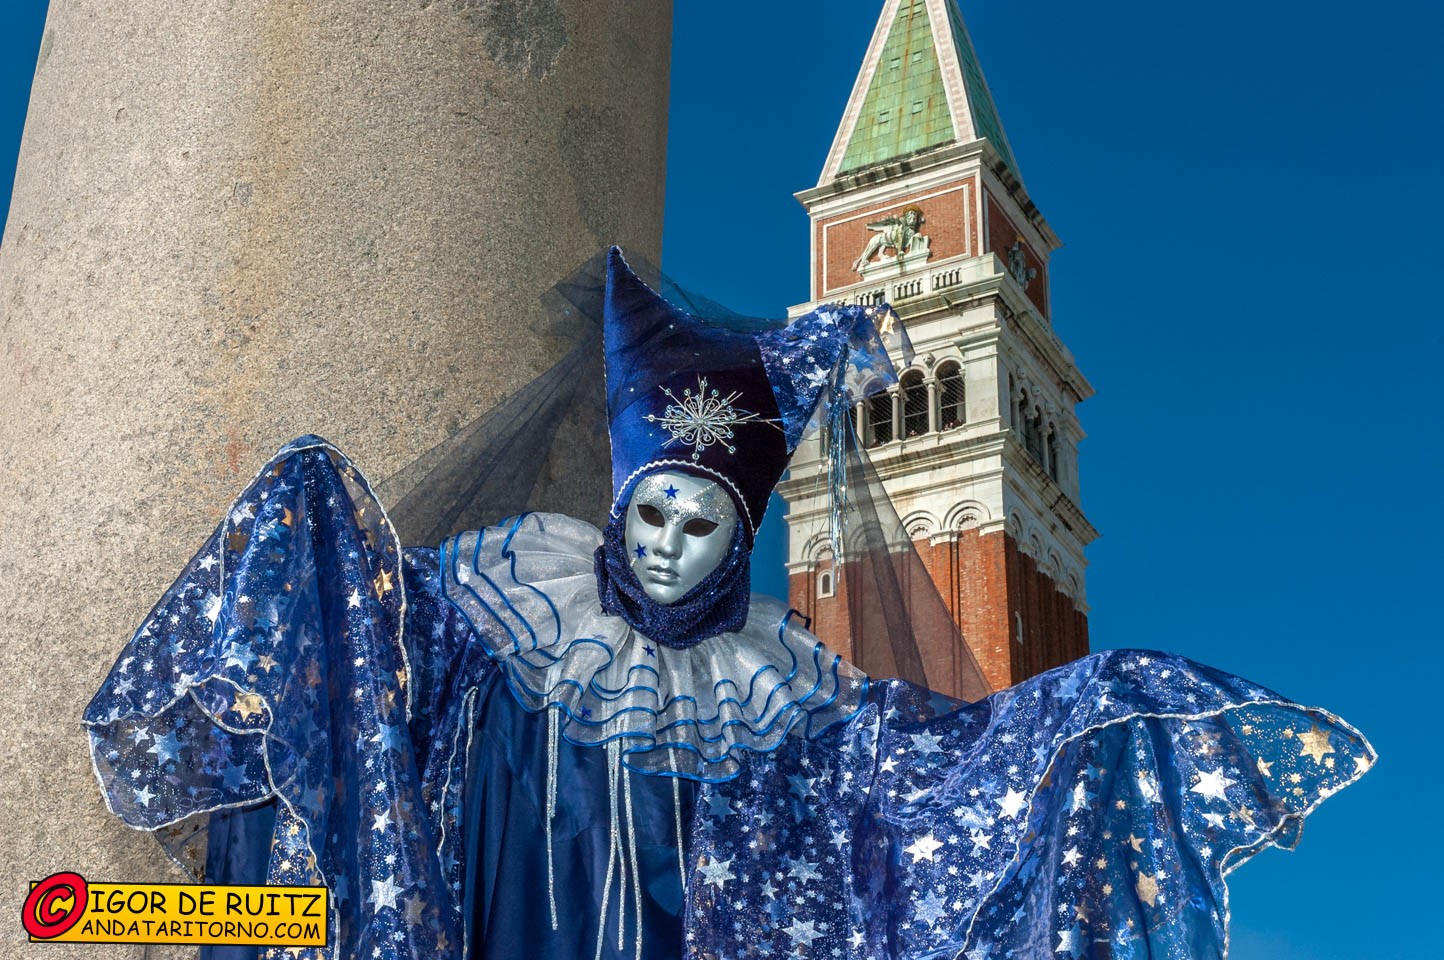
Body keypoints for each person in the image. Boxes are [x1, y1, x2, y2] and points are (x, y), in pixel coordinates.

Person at [85, 248, 1372, 960]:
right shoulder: (495, 608)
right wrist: (309, 523)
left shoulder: (791, 701)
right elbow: (364, 702)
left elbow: (920, 799)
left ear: (740, 537)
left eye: (701, 525)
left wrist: (1093, 712)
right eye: (650, 511)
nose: (665, 544)